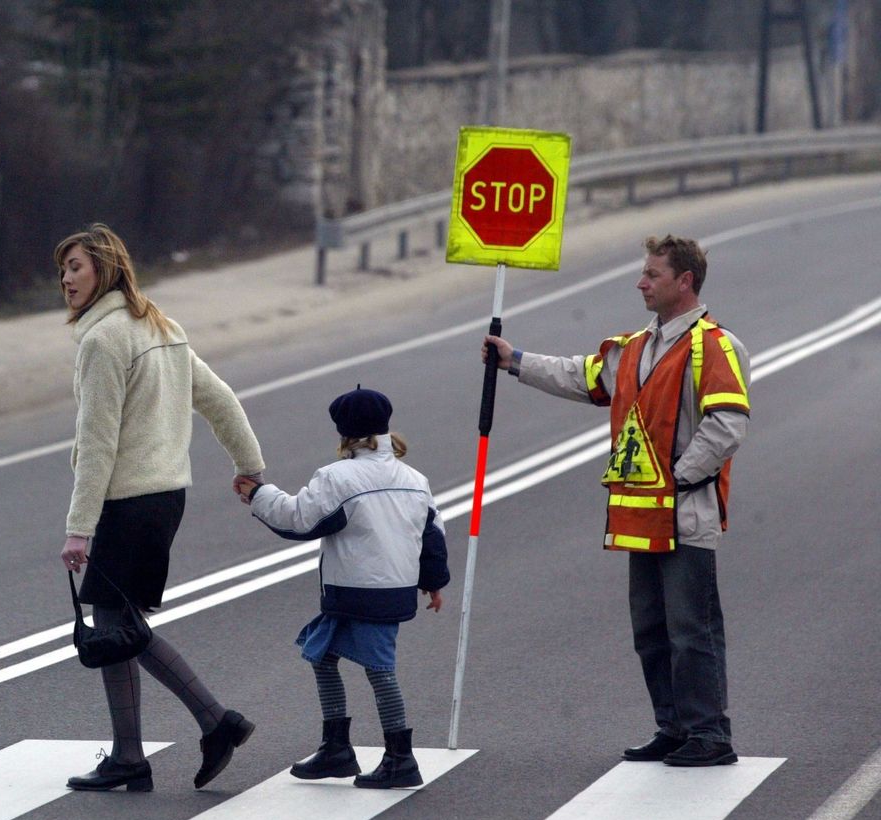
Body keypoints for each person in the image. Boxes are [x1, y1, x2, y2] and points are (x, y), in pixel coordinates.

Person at [482, 235, 751, 767]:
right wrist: (515, 361)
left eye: (652, 274)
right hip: (638, 519)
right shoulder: (633, 347)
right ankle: (673, 728)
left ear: (684, 282)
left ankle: (709, 734)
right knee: (651, 632)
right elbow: (581, 377)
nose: (641, 282)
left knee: (691, 631)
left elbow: (729, 424)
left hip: (686, 516)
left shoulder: (714, 346)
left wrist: (679, 477)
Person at [56, 223, 266, 792]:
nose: (67, 279)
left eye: (76, 267)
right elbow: (218, 397)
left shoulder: (104, 342)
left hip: (129, 500)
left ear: (104, 267)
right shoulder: (160, 326)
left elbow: (98, 442)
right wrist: (249, 463)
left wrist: (79, 529)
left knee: (120, 625)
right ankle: (130, 756)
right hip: (164, 497)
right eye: (63, 270)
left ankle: (216, 720)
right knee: (117, 624)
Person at [236, 387, 449, 788]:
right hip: (384, 589)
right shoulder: (414, 478)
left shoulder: (338, 477)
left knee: (380, 670)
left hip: (360, 589)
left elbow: (301, 519)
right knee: (322, 653)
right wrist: (433, 583)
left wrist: (258, 495)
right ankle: (336, 748)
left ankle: (401, 758)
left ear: (344, 432)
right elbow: (432, 533)